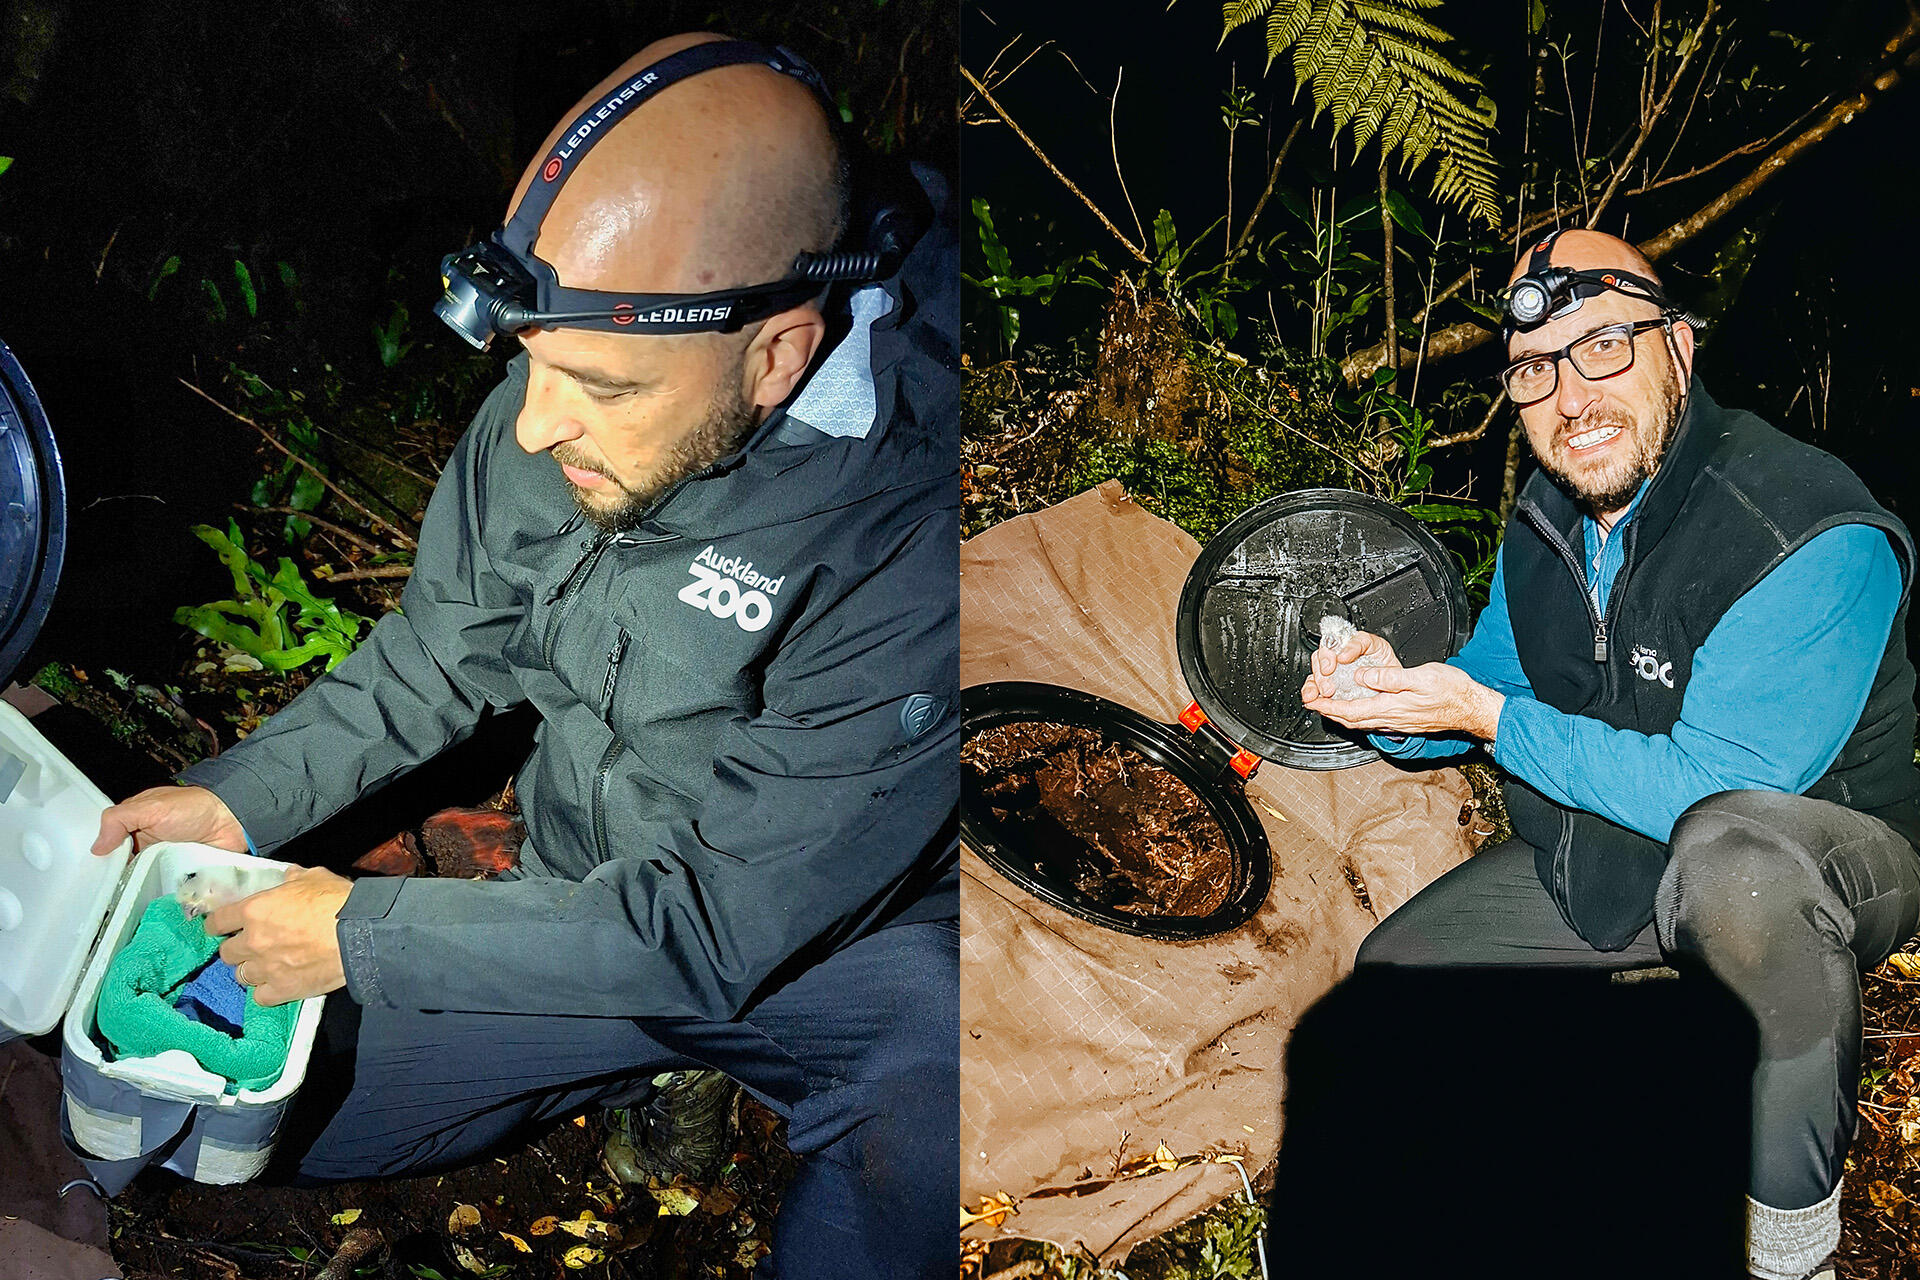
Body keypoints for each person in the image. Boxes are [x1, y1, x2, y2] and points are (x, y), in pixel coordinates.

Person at [89, 32, 958, 1280]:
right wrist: (233, 799)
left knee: (927, 1115)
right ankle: (644, 1064)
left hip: (804, 949)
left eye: (600, 386)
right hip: (566, 891)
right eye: (529, 361)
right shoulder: (568, 394)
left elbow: (715, 922)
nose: (535, 426)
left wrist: (368, 932)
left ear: (775, 354)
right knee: (261, 1122)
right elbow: (439, 651)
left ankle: (745, 1075)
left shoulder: (915, 533)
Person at [1301, 228, 1920, 1280]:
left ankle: (1791, 1246)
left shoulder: (1806, 526)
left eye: (1603, 347)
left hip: (1821, 853)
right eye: (1534, 370)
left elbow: (1716, 787)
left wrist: (1488, 717)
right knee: (1398, 980)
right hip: (1625, 846)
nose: (1570, 397)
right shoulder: (1545, 521)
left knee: (1735, 868)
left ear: (1679, 346)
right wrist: (1388, 698)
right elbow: (1490, 677)